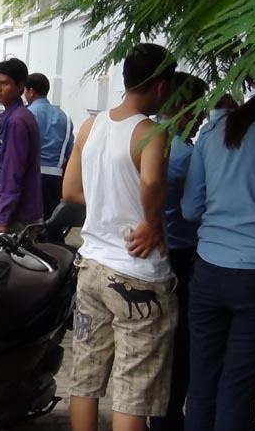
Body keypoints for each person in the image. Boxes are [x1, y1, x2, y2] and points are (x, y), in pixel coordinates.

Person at [62, 43, 177, 431]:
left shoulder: (90, 127)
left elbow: (70, 191)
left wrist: (107, 203)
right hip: (136, 271)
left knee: (86, 376)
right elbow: (152, 181)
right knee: (133, 390)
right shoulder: (151, 132)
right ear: (161, 86)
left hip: (92, 267)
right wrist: (152, 221)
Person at [181, 91, 255, 431]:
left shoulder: (212, 131)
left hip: (208, 271)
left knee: (201, 384)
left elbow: (190, 208)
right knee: (238, 389)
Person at [149, 72, 208, 431]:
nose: (203, 116)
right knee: (179, 342)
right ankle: (168, 417)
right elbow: (194, 210)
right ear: (185, 106)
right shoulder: (186, 154)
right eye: (199, 107)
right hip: (180, 255)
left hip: (142, 254)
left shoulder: (141, 138)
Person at [0, 58, 42, 233]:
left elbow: (13, 172)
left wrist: (2, 220)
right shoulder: (14, 116)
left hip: (18, 217)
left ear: (20, 87)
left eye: (4, 83)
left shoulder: (17, 121)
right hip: (18, 211)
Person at [25, 72, 74, 219]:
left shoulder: (26, 114)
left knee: (29, 223)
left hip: (31, 176)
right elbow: (69, 151)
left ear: (31, 91)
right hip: (56, 178)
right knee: (51, 222)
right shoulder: (65, 117)